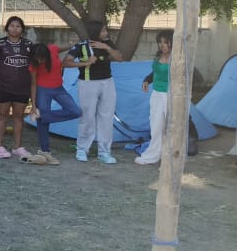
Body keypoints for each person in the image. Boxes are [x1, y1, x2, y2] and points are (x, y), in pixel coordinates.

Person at [24, 41, 91, 164]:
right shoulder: (33, 63)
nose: (39, 61)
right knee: (43, 123)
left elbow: (66, 46)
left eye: (41, 58)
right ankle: (45, 150)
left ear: (47, 54)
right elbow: (33, 84)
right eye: (37, 58)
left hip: (58, 88)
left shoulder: (52, 49)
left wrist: (74, 43)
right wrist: (33, 105)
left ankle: (43, 116)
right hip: (42, 89)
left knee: (75, 111)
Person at [71, 19, 124, 164]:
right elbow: (66, 62)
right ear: (95, 32)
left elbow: (119, 58)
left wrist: (106, 47)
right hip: (88, 83)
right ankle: (82, 149)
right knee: (87, 116)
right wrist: (86, 63)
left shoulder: (108, 44)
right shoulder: (82, 45)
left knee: (106, 117)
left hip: (107, 82)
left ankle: (104, 152)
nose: (106, 33)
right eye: (103, 30)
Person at [0, 16, 33, 160]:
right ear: (7, 28)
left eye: (18, 26)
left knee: (19, 117)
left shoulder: (28, 45)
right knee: (2, 115)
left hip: (22, 88)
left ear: (22, 29)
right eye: (12, 25)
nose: (15, 29)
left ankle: (17, 147)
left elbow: (34, 67)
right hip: (3, 86)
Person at [136, 30, 172, 166]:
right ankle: (153, 155)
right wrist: (147, 80)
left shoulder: (177, 58)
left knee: (171, 127)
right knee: (156, 127)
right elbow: (155, 72)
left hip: (170, 96)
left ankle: (171, 156)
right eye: (160, 42)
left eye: (166, 42)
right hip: (156, 94)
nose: (162, 45)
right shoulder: (159, 55)